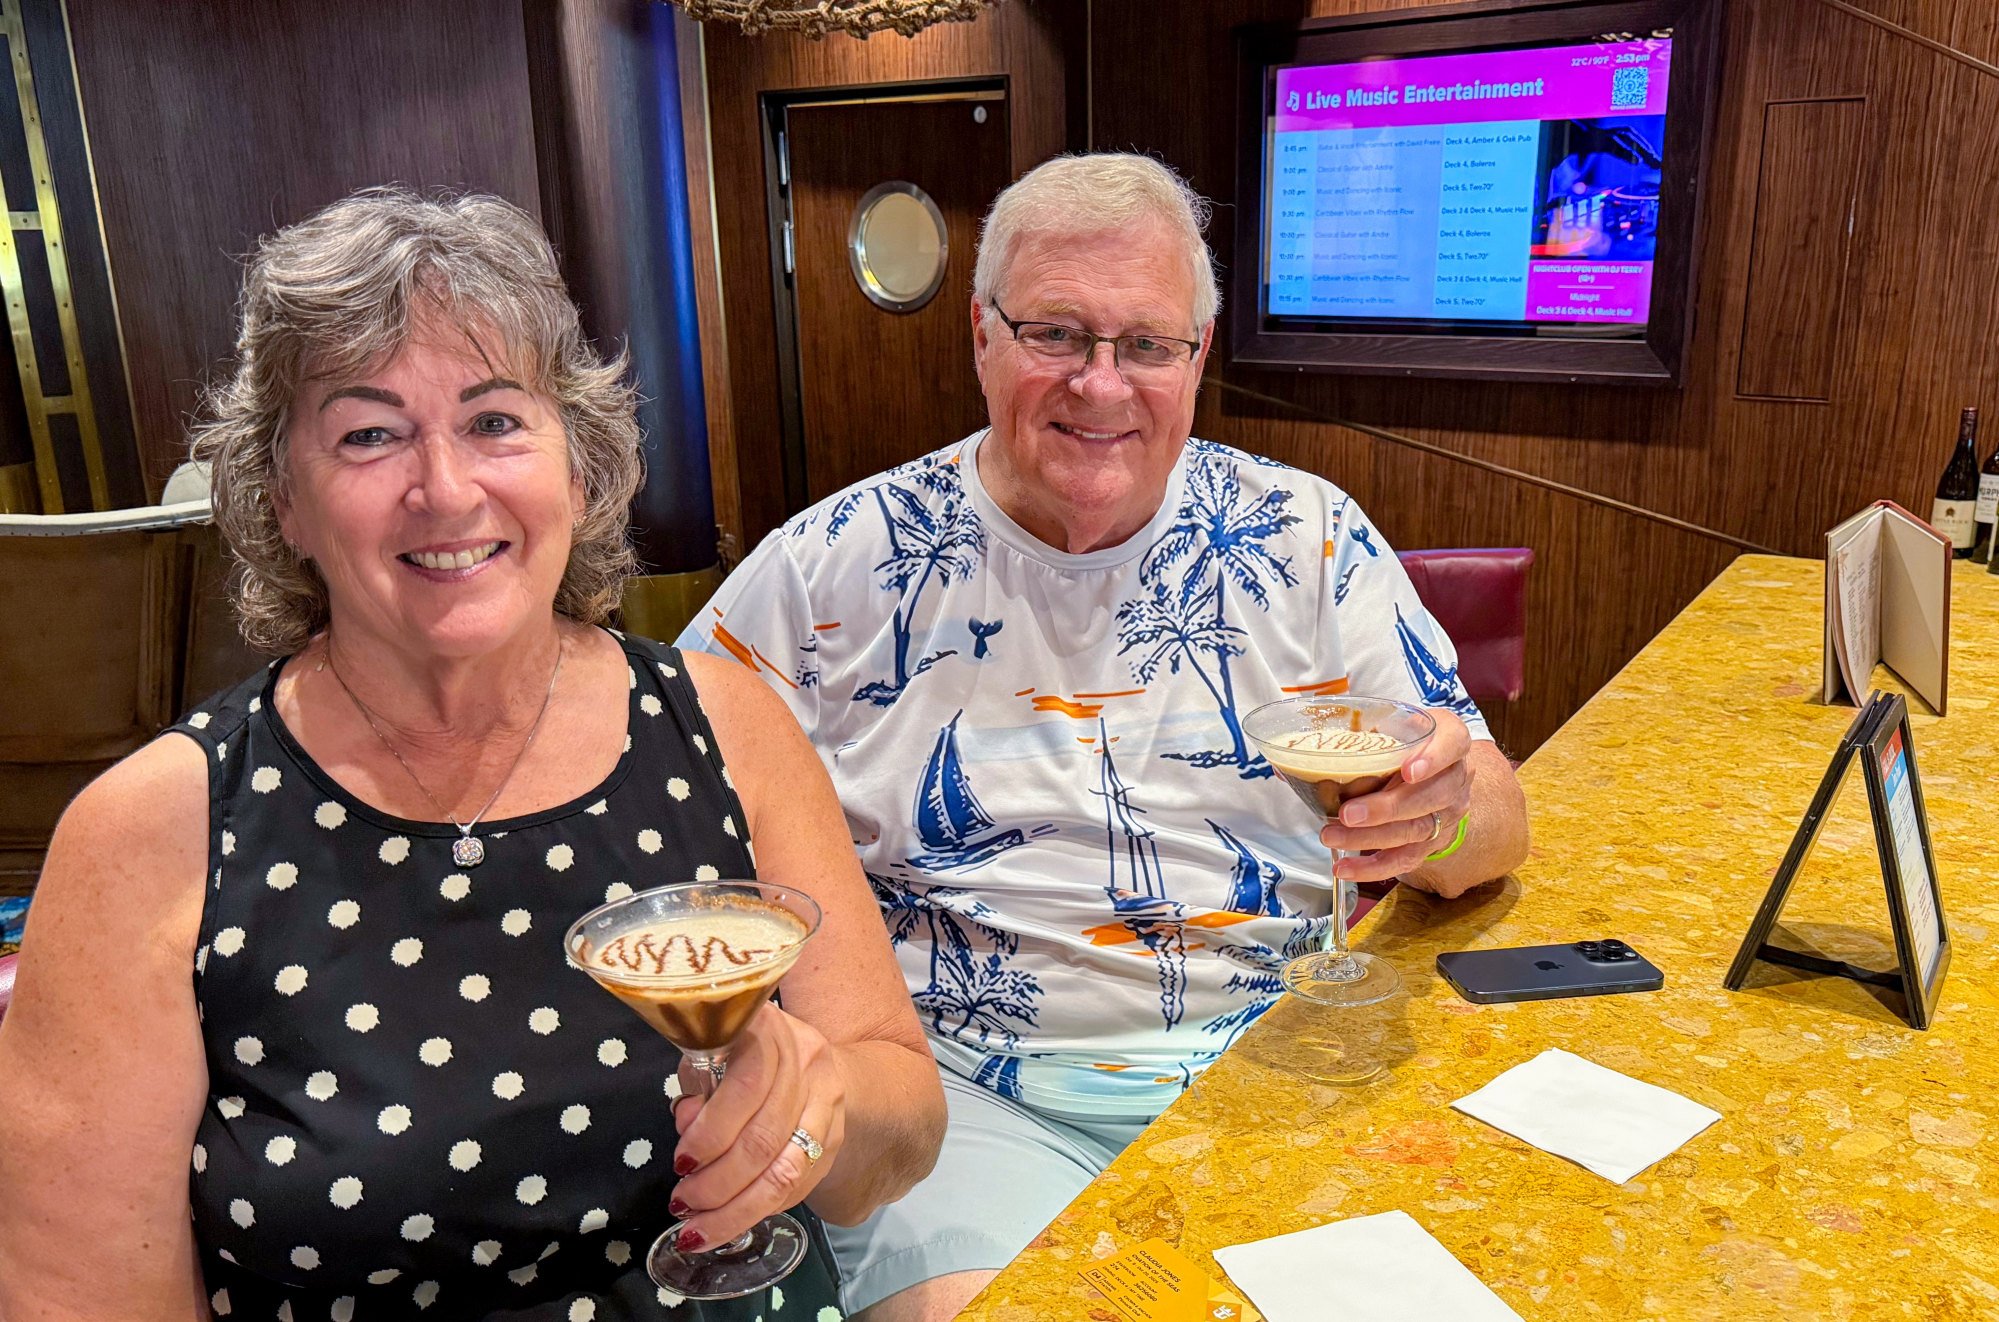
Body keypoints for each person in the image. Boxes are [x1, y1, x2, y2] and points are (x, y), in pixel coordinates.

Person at [0, 188, 944, 1321]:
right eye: (368, 432)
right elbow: (84, 1299)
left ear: (577, 465)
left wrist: (824, 1103)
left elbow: (900, 1132)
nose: (445, 488)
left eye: (496, 420)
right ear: (281, 497)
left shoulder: (725, 725)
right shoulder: (153, 832)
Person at [678, 153, 1531, 1320]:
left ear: (1198, 357)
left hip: (1284, 1052)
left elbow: (1495, 820)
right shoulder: (830, 564)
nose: (1101, 384)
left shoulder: (1303, 538)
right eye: (1056, 334)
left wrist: (1440, 814)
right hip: (969, 1101)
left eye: (1146, 345)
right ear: (980, 337)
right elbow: (659, 816)